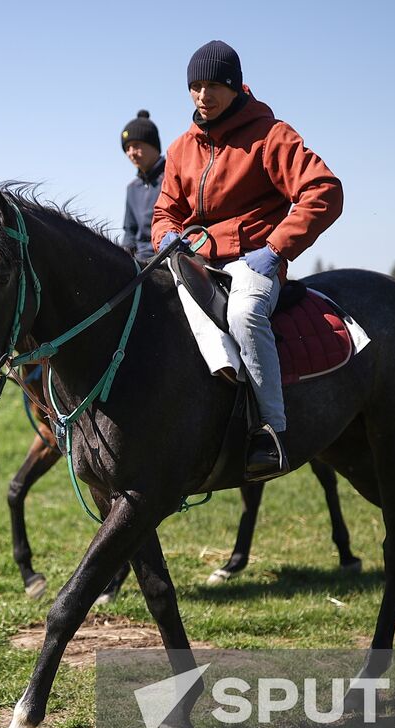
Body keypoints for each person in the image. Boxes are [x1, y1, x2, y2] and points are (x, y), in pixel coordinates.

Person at [152, 40, 343, 482]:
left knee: (243, 313)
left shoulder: (271, 135)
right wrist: (168, 237)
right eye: (195, 86)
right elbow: (165, 211)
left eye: (213, 85)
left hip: (253, 262)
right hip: (195, 262)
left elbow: (324, 190)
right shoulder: (181, 148)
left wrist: (276, 248)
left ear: (235, 86)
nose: (203, 95)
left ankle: (269, 431)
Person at [120, 110, 166, 263]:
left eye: (136, 145)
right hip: (140, 261)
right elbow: (130, 231)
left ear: (153, 145)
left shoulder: (173, 177)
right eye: (127, 148)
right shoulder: (132, 188)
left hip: (168, 256)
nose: (131, 152)